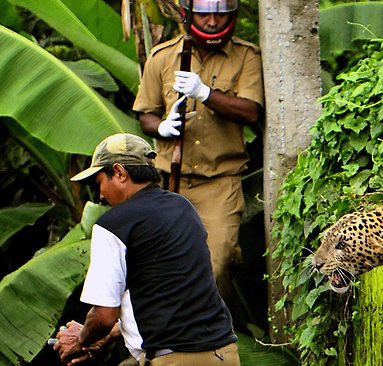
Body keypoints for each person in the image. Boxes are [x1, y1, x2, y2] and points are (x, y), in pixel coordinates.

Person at [54, 133, 240, 366]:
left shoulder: (112, 225)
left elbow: (103, 316)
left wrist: (79, 340)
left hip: (174, 359)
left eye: (100, 181)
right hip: (224, 354)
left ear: (120, 173)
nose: (100, 195)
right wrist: (108, 336)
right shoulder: (182, 207)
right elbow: (164, 296)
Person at [132, 0, 264, 304]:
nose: (213, 21)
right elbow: (145, 114)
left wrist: (205, 93)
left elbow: (251, 111)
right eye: (205, 13)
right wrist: (162, 126)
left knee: (219, 262)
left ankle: (210, 335)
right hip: (168, 182)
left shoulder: (246, 56)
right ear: (188, 14)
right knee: (160, 266)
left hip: (220, 182)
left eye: (220, 13)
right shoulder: (163, 57)